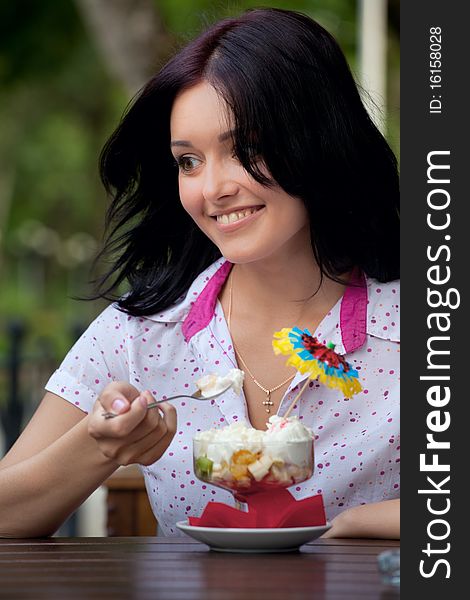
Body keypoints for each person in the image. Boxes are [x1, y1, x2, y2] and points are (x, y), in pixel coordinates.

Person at [0, 7, 399, 539]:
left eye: (246, 150)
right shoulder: (140, 332)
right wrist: (101, 447)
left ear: (319, 140)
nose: (212, 189)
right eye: (189, 161)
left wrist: (357, 524)